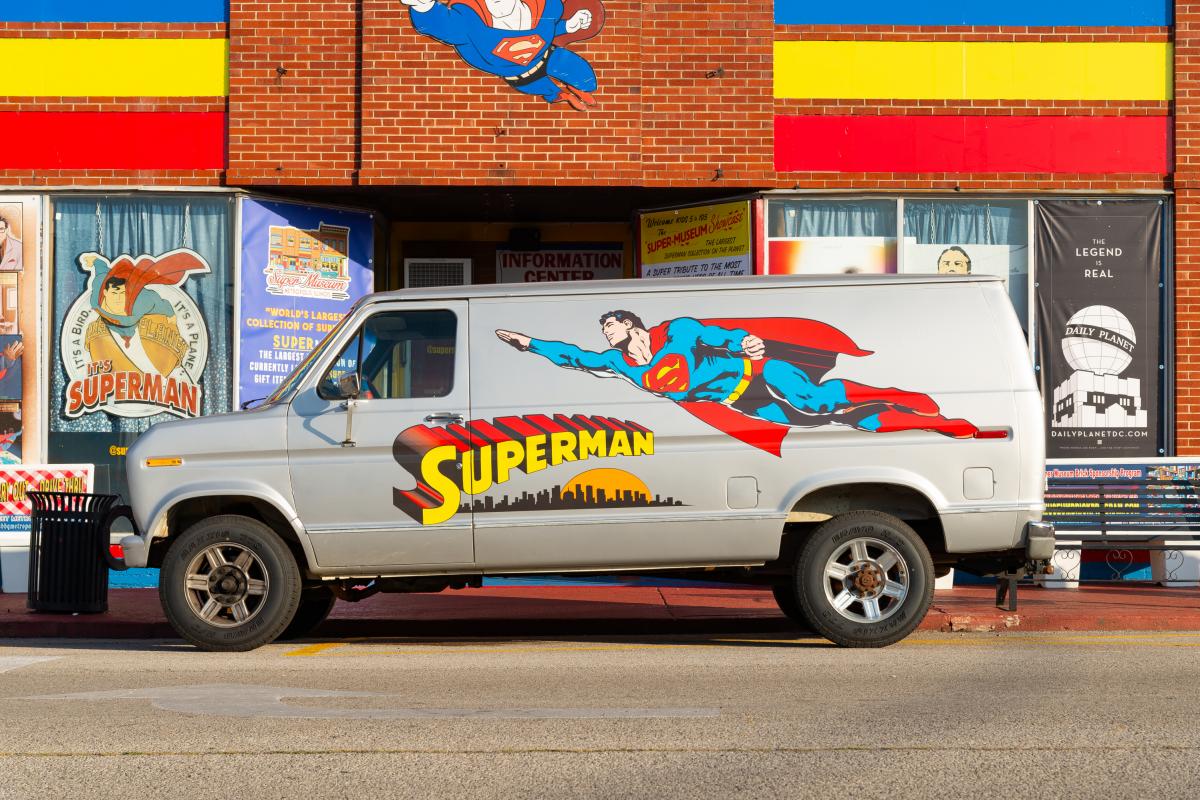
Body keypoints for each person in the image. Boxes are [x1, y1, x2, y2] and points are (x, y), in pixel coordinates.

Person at [496, 310, 978, 454]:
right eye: (604, 330)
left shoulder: (676, 332)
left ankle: (902, 397)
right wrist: (528, 343)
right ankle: (924, 421)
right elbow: (574, 357)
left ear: (631, 324)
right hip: (741, 401)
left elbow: (718, 336)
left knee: (813, 401)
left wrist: (743, 342)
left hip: (761, 372)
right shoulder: (621, 363)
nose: (605, 333)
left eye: (610, 325)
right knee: (826, 421)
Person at [401, 0, 602, 111]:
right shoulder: (470, 20)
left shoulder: (541, 7)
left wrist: (569, 26)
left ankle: (579, 89)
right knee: (549, 91)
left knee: (583, 76)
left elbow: (548, 27)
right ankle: (564, 95)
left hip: (549, 57)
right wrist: (424, 7)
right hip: (522, 78)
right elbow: (445, 25)